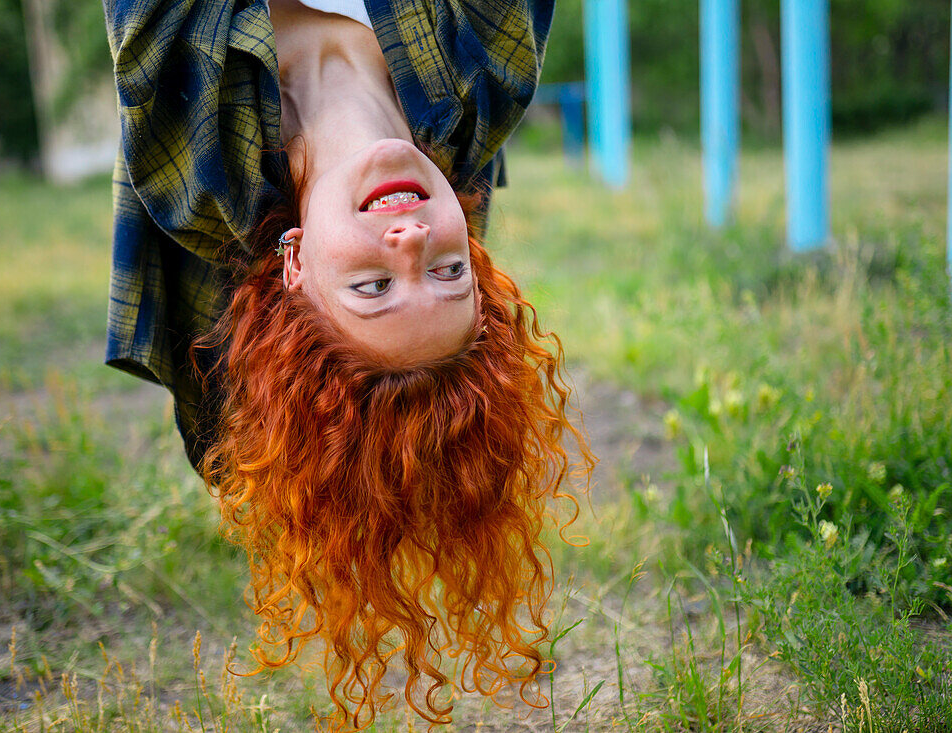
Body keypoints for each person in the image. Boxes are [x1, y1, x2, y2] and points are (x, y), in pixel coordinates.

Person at [104, 0, 591, 727]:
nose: (410, 239)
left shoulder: (195, 129)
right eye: (450, 269)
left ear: (295, 267)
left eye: (374, 288)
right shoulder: (490, 68)